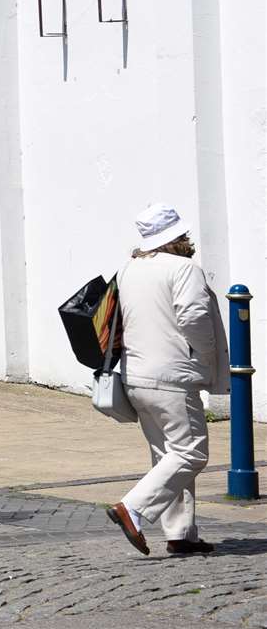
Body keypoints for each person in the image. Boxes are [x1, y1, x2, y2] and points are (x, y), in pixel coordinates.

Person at [105, 203, 229, 557]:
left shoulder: (129, 268)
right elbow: (193, 318)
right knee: (191, 453)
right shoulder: (184, 268)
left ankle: (181, 535)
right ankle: (133, 508)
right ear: (177, 237)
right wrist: (205, 356)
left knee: (167, 457)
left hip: (136, 375)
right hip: (173, 375)